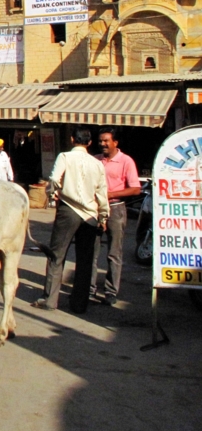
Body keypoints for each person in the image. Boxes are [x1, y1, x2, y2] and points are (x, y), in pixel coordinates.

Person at [32, 128, 110, 314]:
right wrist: (103, 215)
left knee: (56, 256)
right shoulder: (97, 164)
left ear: (72, 139)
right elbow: (102, 192)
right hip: (91, 214)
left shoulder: (65, 157)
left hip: (68, 210)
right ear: (90, 143)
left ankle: (50, 299)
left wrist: (53, 194)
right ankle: (79, 304)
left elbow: (54, 179)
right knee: (85, 260)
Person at [91, 127, 141, 306]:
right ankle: (89, 289)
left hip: (116, 209)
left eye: (106, 141)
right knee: (92, 251)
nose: (102, 144)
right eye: (100, 141)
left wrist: (110, 195)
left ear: (115, 143)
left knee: (114, 253)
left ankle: (111, 291)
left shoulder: (126, 161)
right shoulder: (95, 160)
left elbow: (135, 188)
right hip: (95, 209)